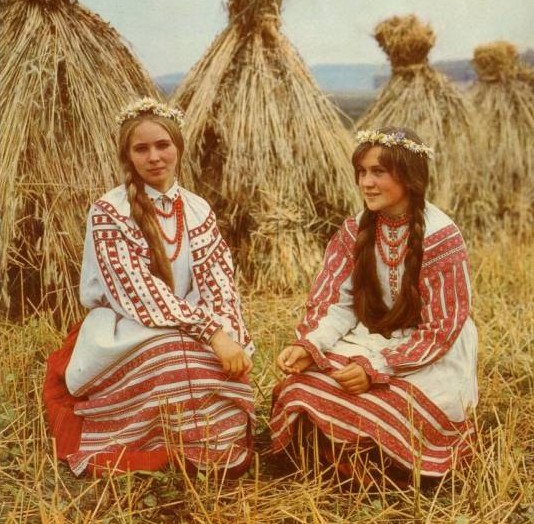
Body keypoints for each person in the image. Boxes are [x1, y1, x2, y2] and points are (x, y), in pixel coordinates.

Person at [43, 97, 255, 477]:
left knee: (212, 363)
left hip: (189, 323)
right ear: (128, 156)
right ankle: (155, 442)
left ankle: (210, 446)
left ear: (178, 147)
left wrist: (229, 334)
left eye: (162, 145)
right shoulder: (110, 211)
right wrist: (211, 333)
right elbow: (137, 292)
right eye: (141, 149)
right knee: (176, 359)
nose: (154, 157)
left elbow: (219, 283)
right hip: (127, 325)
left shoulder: (198, 209)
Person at [270, 126, 478, 485]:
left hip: (428, 353)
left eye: (378, 172)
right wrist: (310, 344)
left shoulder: (441, 236)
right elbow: (336, 303)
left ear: (409, 176)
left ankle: (372, 465)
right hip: (371, 336)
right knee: (299, 387)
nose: (366, 183)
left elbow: (441, 330)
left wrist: (376, 369)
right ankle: (339, 459)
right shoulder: (355, 229)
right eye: (362, 172)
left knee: (383, 406)